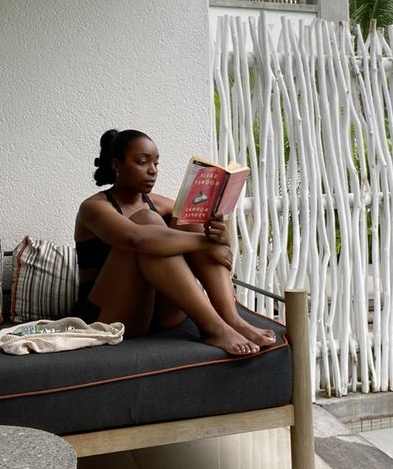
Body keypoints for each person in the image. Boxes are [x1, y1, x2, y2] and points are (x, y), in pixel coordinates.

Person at [73, 128, 276, 356]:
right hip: (108, 317)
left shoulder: (160, 204)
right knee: (148, 224)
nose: (152, 171)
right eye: (142, 162)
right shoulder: (94, 208)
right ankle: (213, 328)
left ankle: (231, 318)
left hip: (162, 315)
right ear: (116, 165)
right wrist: (206, 243)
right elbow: (135, 238)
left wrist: (218, 236)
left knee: (189, 217)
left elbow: (196, 232)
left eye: (156, 164)